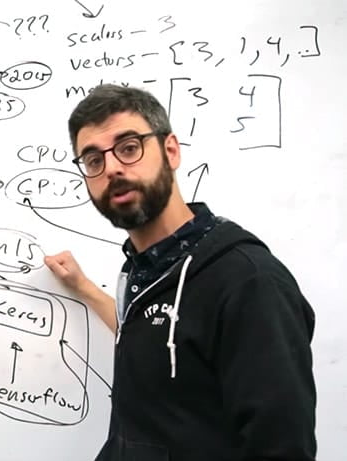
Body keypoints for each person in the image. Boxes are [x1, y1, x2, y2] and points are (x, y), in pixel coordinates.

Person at [44, 84, 316, 460]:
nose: (112, 168)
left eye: (129, 148)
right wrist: (85, 288)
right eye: (93, 160)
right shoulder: (146, 269)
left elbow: (282, 449)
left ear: (171, 151)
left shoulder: (248, 283)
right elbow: (151, 334)